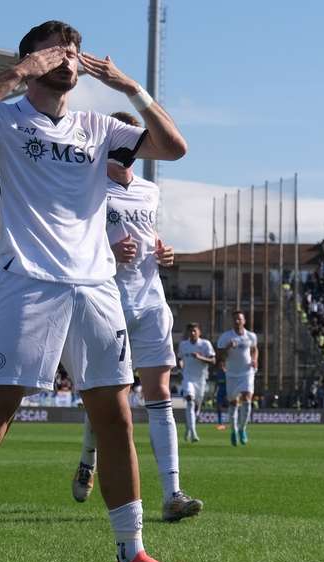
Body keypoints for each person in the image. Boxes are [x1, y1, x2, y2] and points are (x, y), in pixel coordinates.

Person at [0, 20, 189, 562]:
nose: (70, 58)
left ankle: (131, 548)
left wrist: (131, 88)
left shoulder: (98, 126)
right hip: (28, 282)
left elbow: (174, 147)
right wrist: (16, 74)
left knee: (116, 417)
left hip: (97, 287)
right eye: (57, 50)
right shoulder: (1, 117)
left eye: (74, 51)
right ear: (31, 58)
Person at [70, 111, 202, 523]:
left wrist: (165, 253)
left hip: (149, 301)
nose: (128, 150)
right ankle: (89, 458)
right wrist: (109, 254)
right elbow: (73, 243)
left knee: (159, 393)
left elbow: (151, 238)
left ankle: (172, 493)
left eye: (135, 144)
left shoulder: (148, 191)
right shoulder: (89, 187)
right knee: (113, 397)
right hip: (106, 299)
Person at [217, 311, 259, 445]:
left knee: (247, 398)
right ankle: (234, 430)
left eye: (239, 319)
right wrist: (228, 348)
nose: (237, 322)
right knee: (234, 403)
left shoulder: (251, 336)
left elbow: (254, 349)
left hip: (247, 372)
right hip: (232, 373)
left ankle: (242, 429)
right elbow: (219, 356)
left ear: (244, 321)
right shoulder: (225, 337)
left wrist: (254, 360)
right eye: (235, 319)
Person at [177, 323, 215, 442]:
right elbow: (180, 358)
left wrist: (200, 357)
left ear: (199, 332)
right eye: (190, 331)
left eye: (194, 331)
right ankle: (193, 433)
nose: (192, 333)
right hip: (188, 377)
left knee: (196, 407)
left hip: (201, 379)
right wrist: (180, 365)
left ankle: (189, 428)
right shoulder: (183, 345)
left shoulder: (205, 344)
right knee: (190, 401)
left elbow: (213, 360)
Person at [214, 358, 228, 430]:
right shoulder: (218, 373)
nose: (221, 367)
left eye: (222, 365)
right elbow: (216, 383)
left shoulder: (227, 373)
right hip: (220, 392)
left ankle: (234, 422)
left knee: (231, 406)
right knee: (219, 408)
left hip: (227, 392)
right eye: (220, 365)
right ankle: (220, 423)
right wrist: (214, 392)